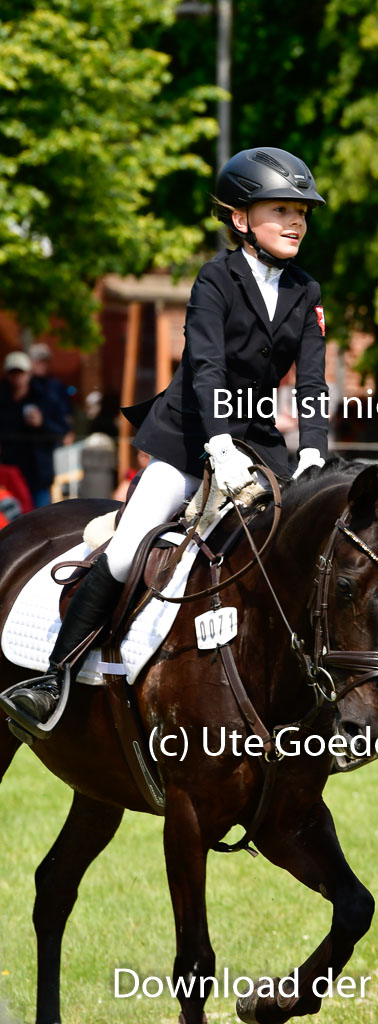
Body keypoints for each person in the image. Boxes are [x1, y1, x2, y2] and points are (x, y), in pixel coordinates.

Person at [9, 146, 329, 729]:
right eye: (282, 209)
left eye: (302, 213)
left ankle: (305, 693)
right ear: (241, 219)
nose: (296, 222)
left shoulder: (306, 290)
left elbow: (312, 381)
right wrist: (219, 445)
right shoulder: (215, 278)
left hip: (260, 447)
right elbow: (205, 366)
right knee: (132, 546)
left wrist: (313, 453)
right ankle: (53, 679)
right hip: (190, 440)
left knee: (296, 551)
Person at [0, 351, 69, 508]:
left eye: (21, 373)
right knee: (10, 522)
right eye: (13, 373)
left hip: (38, 474)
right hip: (9, 472)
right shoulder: (2, 399)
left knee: (38, 523)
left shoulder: (44, 397)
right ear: (7, 375)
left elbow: (61, 431)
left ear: (28, 374)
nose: (17, 378)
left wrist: (41, 422)